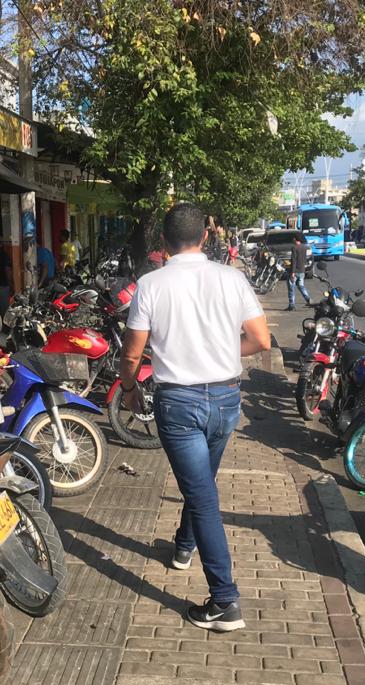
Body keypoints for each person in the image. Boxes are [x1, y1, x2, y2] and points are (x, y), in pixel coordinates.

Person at [119, 202, 271, 631]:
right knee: (200, 485)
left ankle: (225, 601)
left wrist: (129, 390)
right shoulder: (232, 277)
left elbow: (132, 353)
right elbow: (260, 339)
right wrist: (221, 352)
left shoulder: (151, 285)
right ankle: (183, 548)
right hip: (226, 399)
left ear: (163, 242)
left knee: (203, 497)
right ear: (205, 237)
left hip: (179, 404)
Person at [285, 232, 312, 311]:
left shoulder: (294, 248)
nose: (293, 239)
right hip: (302, 270)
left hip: (295, 270)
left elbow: (294, 260)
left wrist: (292, 272)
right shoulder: (304, 247)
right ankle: (308, 299)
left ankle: (291, 305)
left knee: (291, 288)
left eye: (293, 238)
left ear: (295, 239)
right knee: (301, 285)